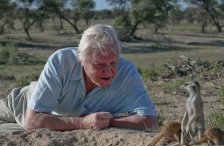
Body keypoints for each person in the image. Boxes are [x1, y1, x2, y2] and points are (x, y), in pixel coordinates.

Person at [0, 24, 158, 132]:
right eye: (99, 65)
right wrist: (82, 123)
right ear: (82, 60)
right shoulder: (62, 61)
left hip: (49, 124)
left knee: (15, 138)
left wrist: (107, 122)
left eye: (113, 63)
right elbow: (33, 120)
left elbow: (149, 120)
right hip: (22, 105)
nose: (108, 71)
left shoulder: (127, 72)